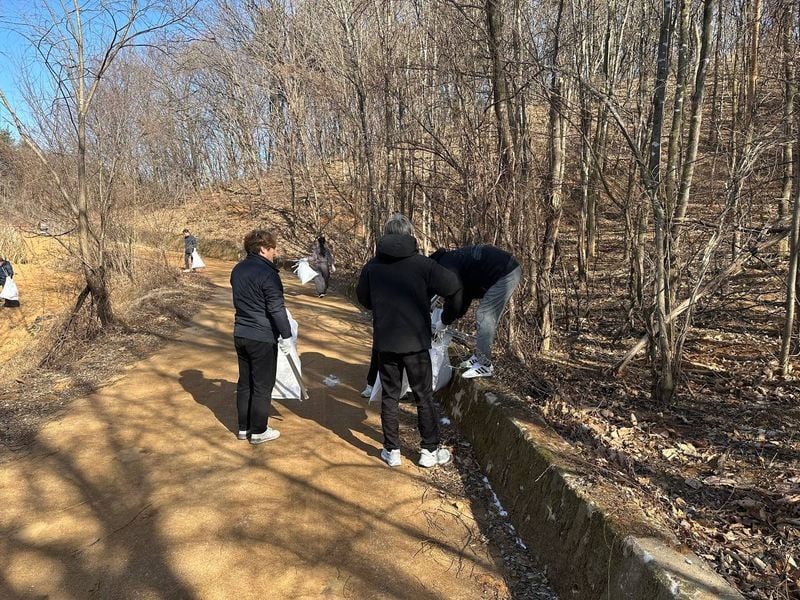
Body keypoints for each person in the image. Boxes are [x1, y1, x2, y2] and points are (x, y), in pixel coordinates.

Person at [356, 214, 461, 468]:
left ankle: (391, 451)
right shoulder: (423, 265)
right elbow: (454, 287)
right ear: (410, 234)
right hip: (416, 343)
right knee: (423, 396)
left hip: (386, 343)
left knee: (390, 396)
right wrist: (446, 317)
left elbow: (364, 299)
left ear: (386, 234)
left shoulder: (373, 266)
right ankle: (428, 451)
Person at [230, 229, 294, 445]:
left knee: (245, 382)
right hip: (262, 336)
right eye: (272, 249)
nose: (274, 253)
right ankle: (258, 431)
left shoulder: (237, 270)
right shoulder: (268, 274)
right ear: (263, 248)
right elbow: (276, 309)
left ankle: (243, 428)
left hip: (241, 333)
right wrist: (287, 335)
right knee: (262, 385)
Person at [430, 245, 522, 379]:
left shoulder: (446, 268)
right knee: (482, 315)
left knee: (484, 315)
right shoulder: (450, 262)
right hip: (501, 269)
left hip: (506, 273)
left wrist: (444, 321)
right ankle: (479, 356)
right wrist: (454, 315)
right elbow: (464, 294)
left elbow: (454, 297)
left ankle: (485, 365)